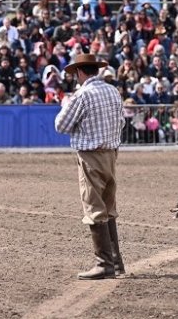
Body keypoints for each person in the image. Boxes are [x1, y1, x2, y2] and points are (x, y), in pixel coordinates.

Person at [54, 53, 125, 280]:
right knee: (108, 205)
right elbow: (122, 121)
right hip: (111, 154)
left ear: (80, 72)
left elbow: (61, 125)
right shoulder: (113, 91)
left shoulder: (82, 95)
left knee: (94, 207)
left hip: (91, 155)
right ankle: (116, 262)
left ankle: (104, 264)